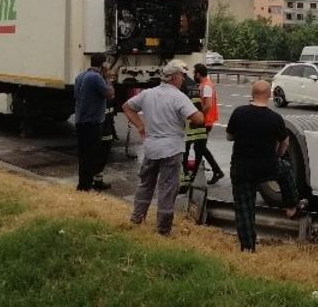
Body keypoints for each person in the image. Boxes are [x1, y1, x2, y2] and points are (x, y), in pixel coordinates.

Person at [122, 60, 205, 235]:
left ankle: (137, 218)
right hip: (172, 149)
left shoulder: (148, 94)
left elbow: (127, 107)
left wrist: (140, 126)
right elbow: (198, 119)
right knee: (167, 188)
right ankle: (163, 229)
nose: (183, 79)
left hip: (151, 147)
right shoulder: (178, 97)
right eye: (182, 76)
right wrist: (199, 108)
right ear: (175, 77)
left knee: (146, 184)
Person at [225, 79, 305, 253]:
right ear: (269, 96)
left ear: (251, 94)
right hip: (266, 166)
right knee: (285, 169)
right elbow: (285, 142)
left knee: (244, 208)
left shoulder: (239, 112)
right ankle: (291, 206)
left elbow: (229, 137)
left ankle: (247, 248)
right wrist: (276, 156)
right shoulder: (275, 118)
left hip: (241, 168)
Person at [73, 54, 114, 192]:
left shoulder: (80, 76)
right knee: (91, 155)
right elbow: (110, 94)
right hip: (92, 122)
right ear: (103, 65)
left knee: (84, 155)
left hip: (80, 120)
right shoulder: (96, 78)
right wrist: (108, 78)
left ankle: (82, 184)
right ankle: (86, 186)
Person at [192, 63, 224, 185]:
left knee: (199, 147)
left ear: (198, 74)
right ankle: (216, 171)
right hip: (205, 121)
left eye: (194, 73)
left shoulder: (206, 86)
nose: (193, 75)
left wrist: (198, 114)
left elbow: (208, 105)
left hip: (205, 121)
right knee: (200, 147)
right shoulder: (205, 85)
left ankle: (197, 175)